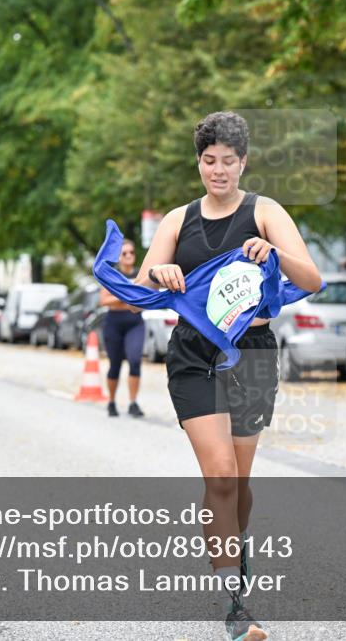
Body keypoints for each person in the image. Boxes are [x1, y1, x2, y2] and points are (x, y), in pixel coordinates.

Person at [132, 111, 322, 641]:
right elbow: (140, 289)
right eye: (209, 160)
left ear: (244, 163)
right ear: (199, 162)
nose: (218, 170)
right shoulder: (177, 220)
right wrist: (161, 273)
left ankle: (235, 546)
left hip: (252, 353)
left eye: (228, 161)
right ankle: (235, 606)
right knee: (219, 476)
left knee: (237, 483)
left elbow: (312, 278)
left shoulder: (265, 211)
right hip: (194, 354)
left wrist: (275, 253)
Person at [98, 239, 146, 418]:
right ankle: (111, 402)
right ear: (118, 257)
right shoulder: (112, 275)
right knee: (115, 364)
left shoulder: (140, 275)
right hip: (114, 323)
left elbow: (144, 298)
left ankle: (133, 403)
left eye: (131, 252)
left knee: (135, 360)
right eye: (124, 253)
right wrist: (126, 295)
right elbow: (104, 300)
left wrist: (120, 296)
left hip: (135, 322)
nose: (128, 256)